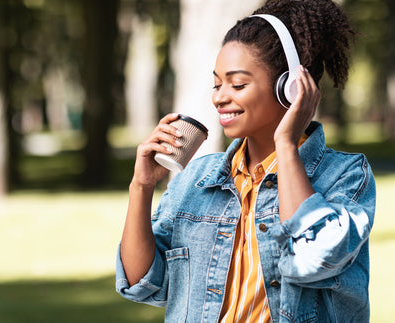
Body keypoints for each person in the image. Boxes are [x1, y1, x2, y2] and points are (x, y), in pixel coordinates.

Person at [115, 0, 376, 322]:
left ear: (290, 88)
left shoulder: (345, 175)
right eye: (217, 83)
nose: (219, 96)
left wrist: (285, 144)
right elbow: (142, 283)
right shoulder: (197, 178)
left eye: (237, 84)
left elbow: (313, 259)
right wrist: (141, 186)